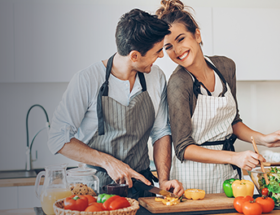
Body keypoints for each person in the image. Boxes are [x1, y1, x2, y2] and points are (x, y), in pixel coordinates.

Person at [47, 8, 184, 198]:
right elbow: (57, 139)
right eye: (157, 51)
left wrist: (162, 180)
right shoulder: (87, 80)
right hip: (95, 190)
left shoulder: (156, 77)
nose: (161, 56)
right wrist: (109, 162)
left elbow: (161, 132)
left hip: (141, 188)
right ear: (134, 56)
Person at [156, 0, 280, 194]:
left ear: (197, 34)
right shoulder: (179, 83)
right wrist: (235, 158)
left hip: (229, 176)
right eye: (168, 47)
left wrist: (264, 139)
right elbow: (183, 148)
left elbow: (233, 122)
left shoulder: (226, 67)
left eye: (181, 39)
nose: (177, 50)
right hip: (193, 179)